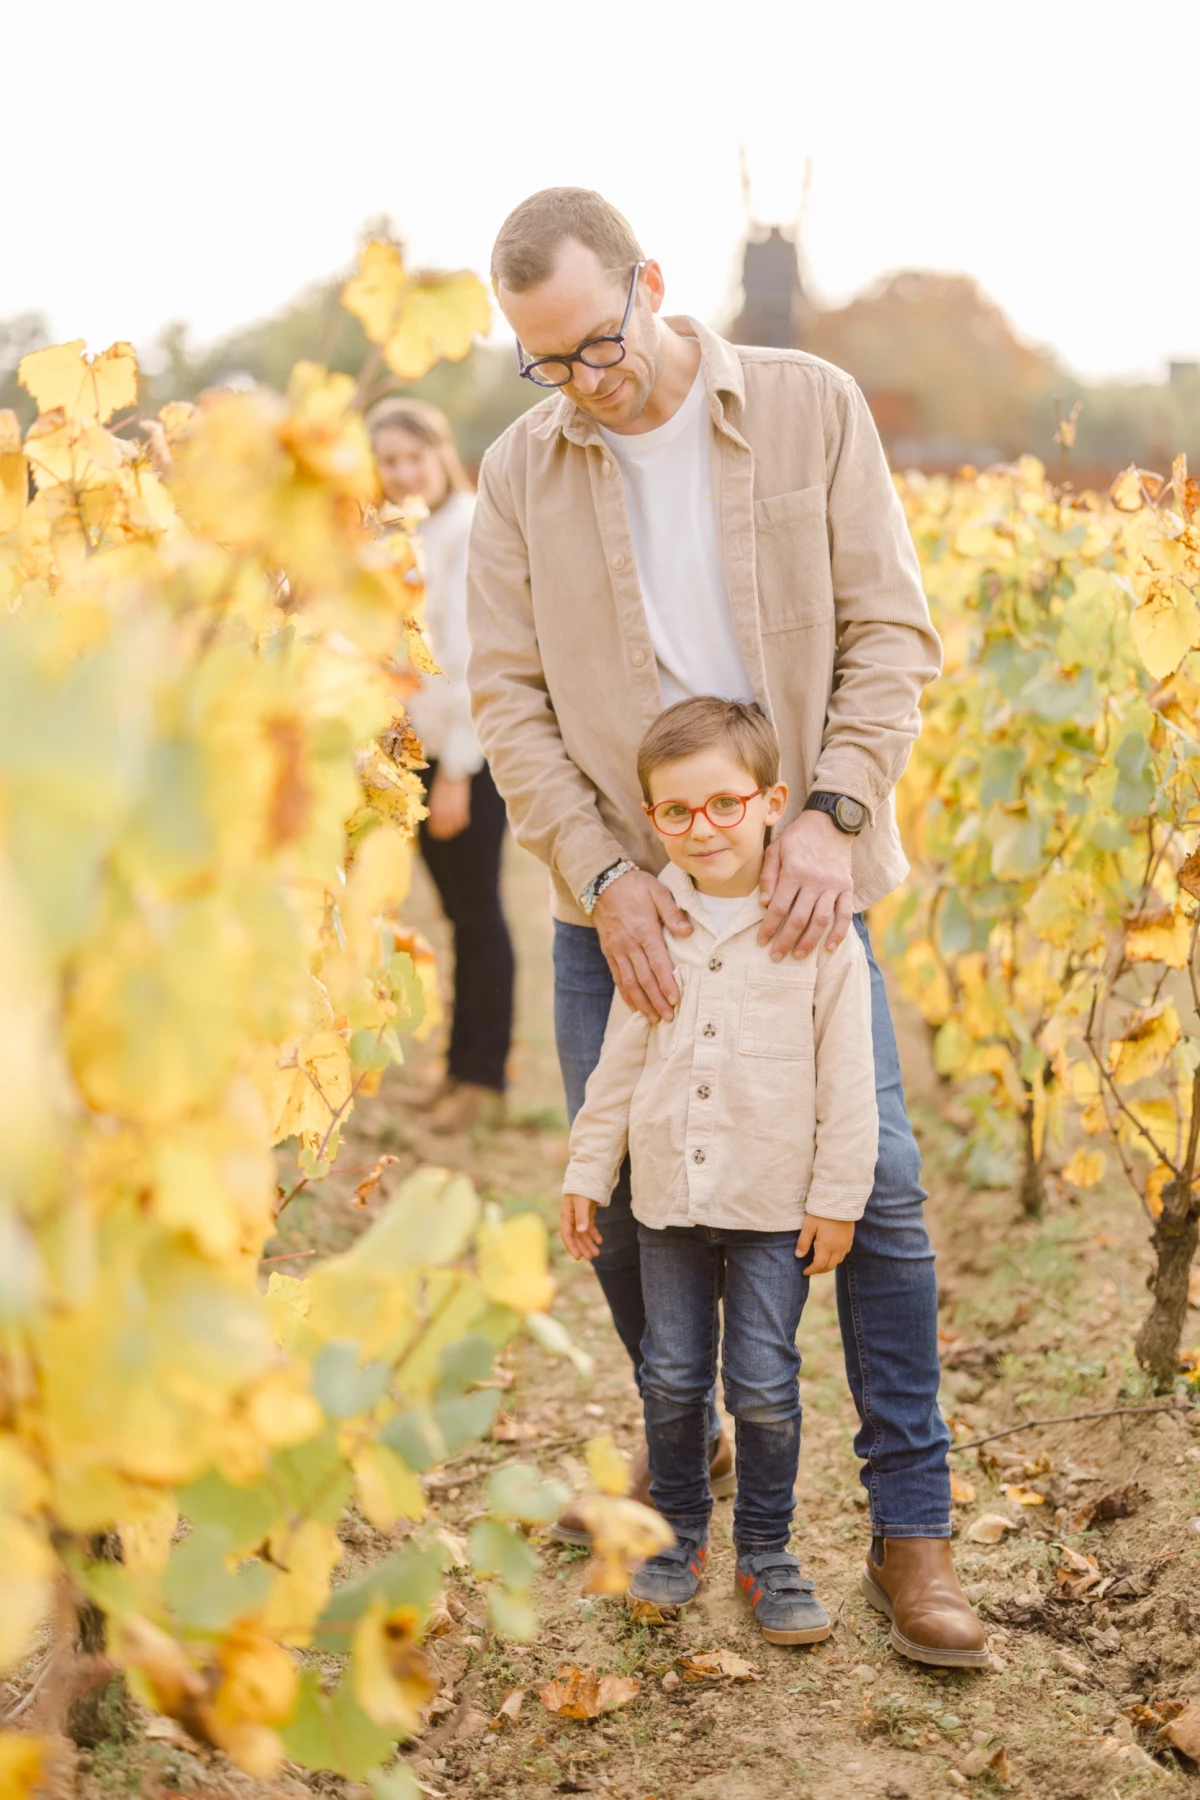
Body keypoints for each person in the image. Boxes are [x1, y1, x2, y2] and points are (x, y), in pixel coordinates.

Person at [467, 187, 987, 1666]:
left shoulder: (811, 408)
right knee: (634, 1202)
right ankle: (682, 1439)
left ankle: (911, 1529)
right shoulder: (519, 472)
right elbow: (508, 699)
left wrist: (831, 814)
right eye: (545, 360)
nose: (582, 380)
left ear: (649, 281)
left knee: (879, 1195)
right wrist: (603, 872)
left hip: (796, 883)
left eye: (597, 342)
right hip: (624, 904)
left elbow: (891, 632)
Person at [562, 698, 878, 1644]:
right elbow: (618, 1066)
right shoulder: (656, 925)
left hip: (774, 1204)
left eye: (725, 805)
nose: (702, 829)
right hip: (667, 1202)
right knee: (669, 1376)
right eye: (677, 812)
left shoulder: (819, 932)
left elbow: (848, 1079)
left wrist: (838, 1199)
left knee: (766, 1383)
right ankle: (678, 1535)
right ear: (651, 819)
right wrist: (587, 1172)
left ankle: (767, 1552)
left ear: (772, 802)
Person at [368, 398, 514, 1133]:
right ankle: (459, 1069)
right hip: (418, 751)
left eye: (413, 456)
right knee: (458, 912)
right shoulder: (406, 535)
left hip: (466, 753)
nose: (402, 472)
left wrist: (457, 768)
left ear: (441, 452)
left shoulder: (468, 527)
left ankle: (482, 1078)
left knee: (479, 911)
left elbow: (474, 658)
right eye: (388, 461)